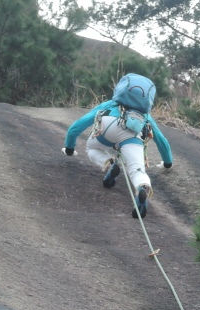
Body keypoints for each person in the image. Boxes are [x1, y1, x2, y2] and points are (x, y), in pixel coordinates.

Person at [62, 73, 173, 218]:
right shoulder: (146, 116)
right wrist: (167, 163)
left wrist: (69, 148)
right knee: (137, 169)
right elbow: (161, 140)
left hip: (108, 126)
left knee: (93, 148)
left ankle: (109, 165)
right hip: (132, 135)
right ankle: (142, 187)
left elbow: (77, 126)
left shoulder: (109, 104)